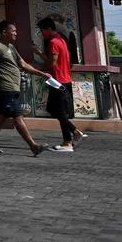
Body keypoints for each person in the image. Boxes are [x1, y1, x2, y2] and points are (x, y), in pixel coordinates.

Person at [0, 20, 52, 156]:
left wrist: (41, 74)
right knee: (17, 117)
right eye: (13, 31)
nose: (15, 33)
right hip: (5, 87)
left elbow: (23, 64)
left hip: (13, 88)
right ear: (4, 32)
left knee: (1, 117)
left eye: (16, 31)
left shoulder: (11, 48)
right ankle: (33, 146)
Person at [38, 17, 85, 152]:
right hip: (65, 79)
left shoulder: (53, 42)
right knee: (54, 110)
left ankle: (67, 142)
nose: (42, 34)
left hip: (57, 81)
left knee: (60, 112)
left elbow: (51, 63)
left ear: (48, 29)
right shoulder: (62, 40)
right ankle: (75, 132)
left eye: (42, 31)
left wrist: (39, 53)